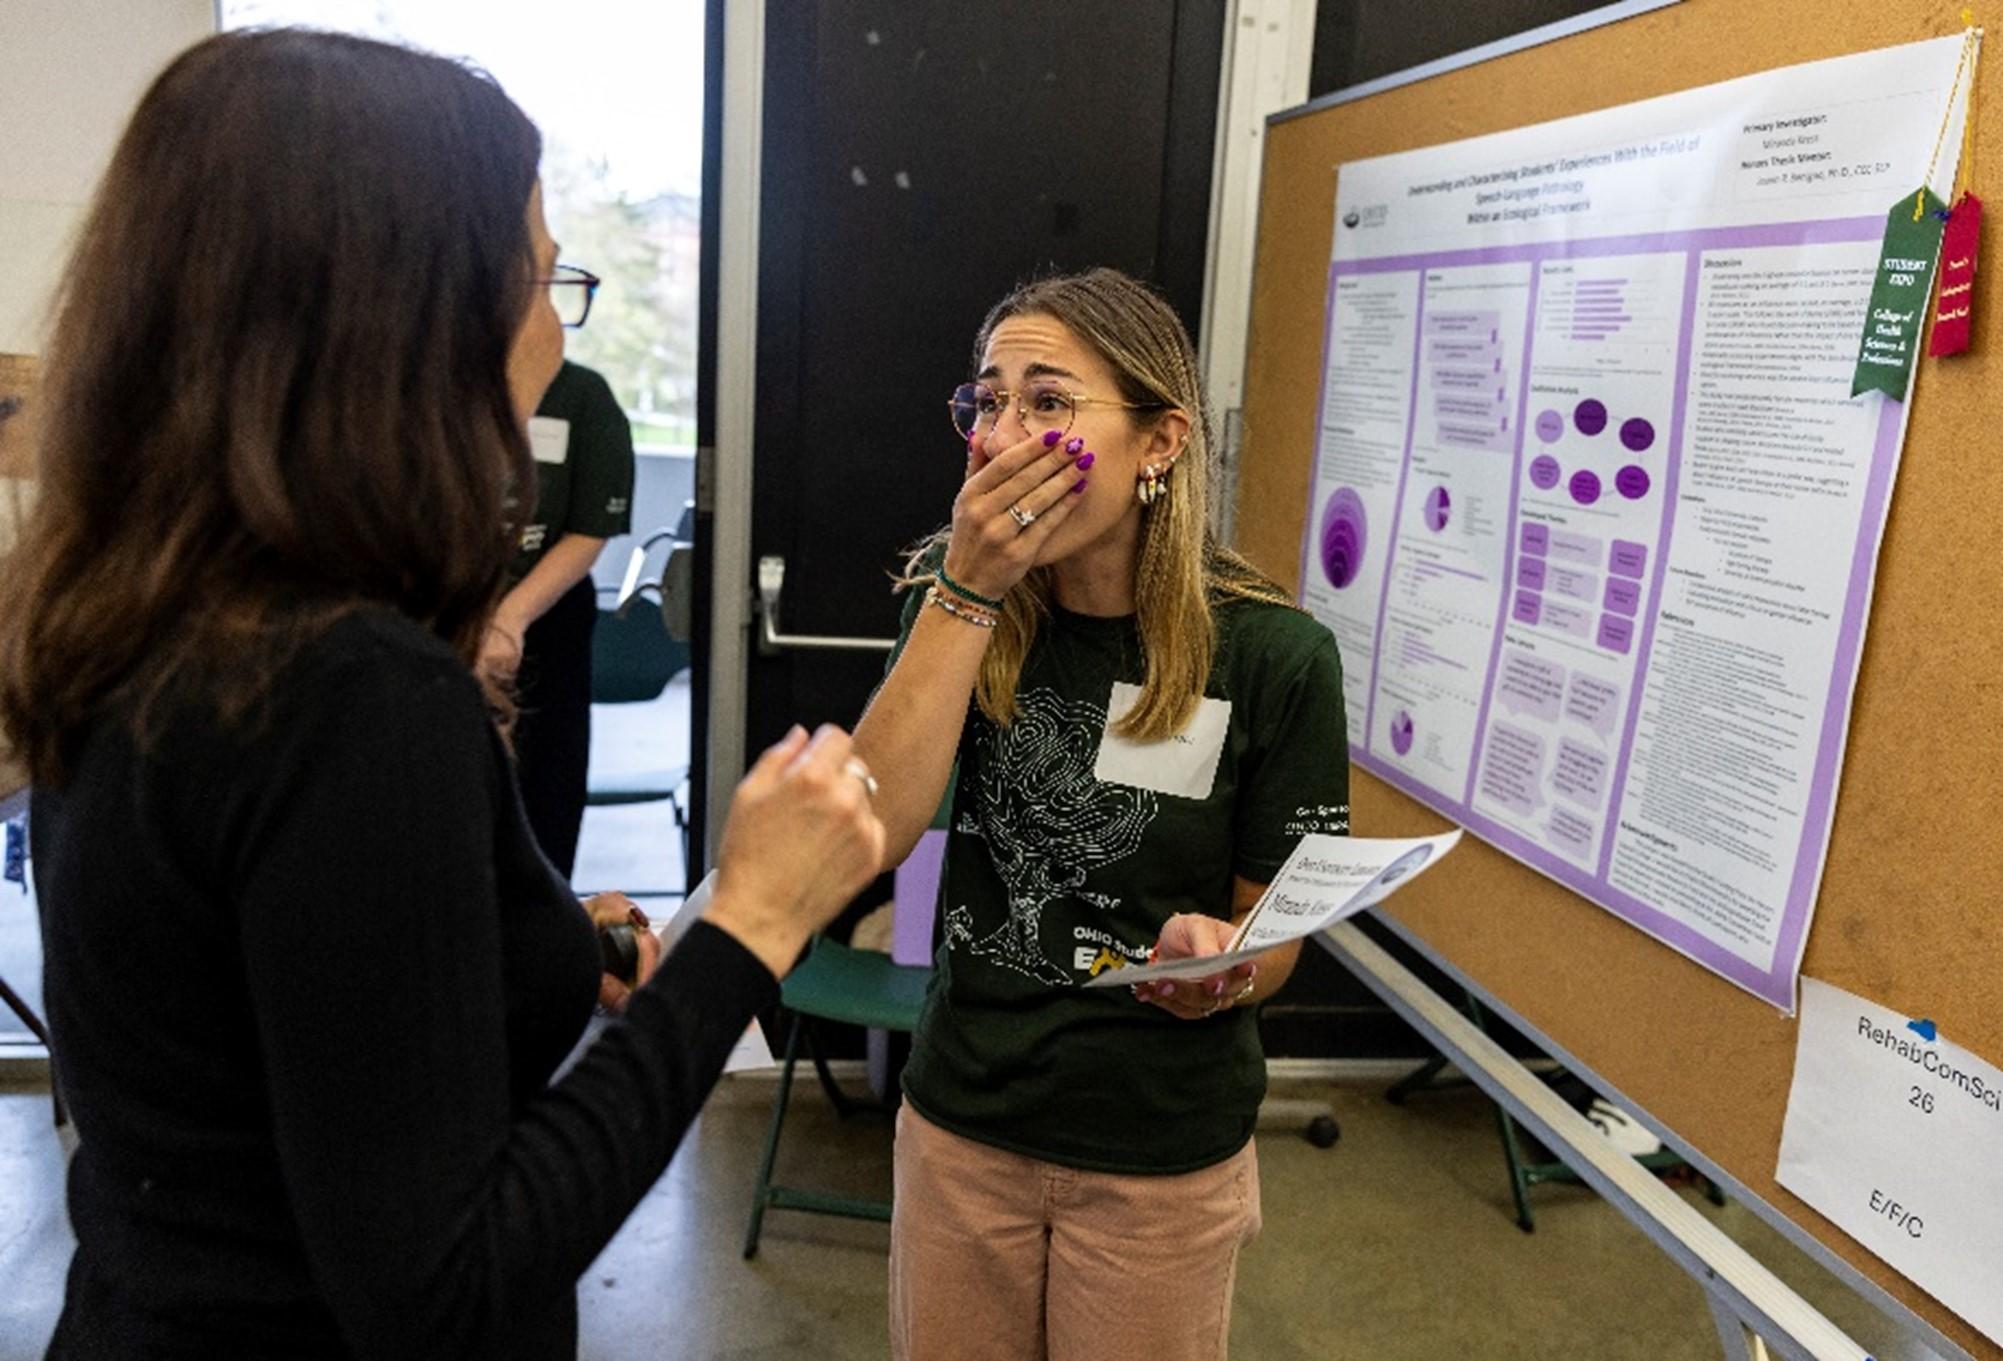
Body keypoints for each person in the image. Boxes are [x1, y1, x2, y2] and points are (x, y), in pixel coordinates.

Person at [0, 30, 883, 1359]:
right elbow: (444, 1292)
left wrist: (543, 942)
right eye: (540, 277)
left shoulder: (140, 615)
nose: (547, 324)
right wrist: (747, 926)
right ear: (413, 322)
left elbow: (273, 999)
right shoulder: (350, 693)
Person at [852, 268, 1351, 1361]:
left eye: (1046, 400)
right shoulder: (955, 599)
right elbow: (873, 822)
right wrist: (966, 587)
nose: (1002, 434)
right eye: (986, 402)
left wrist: (1224, 958)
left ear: (1159, 442)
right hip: (964, 1121)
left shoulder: (1273, 656)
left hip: (1156, 1150)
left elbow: (1277, 930)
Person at [482, 358, 636, 879]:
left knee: (547, 791)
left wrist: (510, 619)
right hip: (442, 611)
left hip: (550, 617)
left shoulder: (584, 396)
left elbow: (591, 529)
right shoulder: (422, 378)